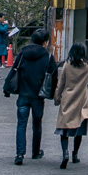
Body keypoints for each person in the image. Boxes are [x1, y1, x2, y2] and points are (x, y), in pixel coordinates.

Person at [12, 29, 58, 165]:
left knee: (21, 123)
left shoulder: (22, 54)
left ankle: (20, 153)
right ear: (45, 42)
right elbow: (53, 76)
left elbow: (15, 70)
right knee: (37, 124)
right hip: (38, 95)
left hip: (23, 93)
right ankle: (36, 151)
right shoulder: (48, 57)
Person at [53, 43, 88, 169]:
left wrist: (57, 97)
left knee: (63, 128)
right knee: (79, 128)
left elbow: (60, 83)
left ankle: (65, 153)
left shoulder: (67, 65)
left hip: (68, 99)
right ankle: (75, 154)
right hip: (82, 100)